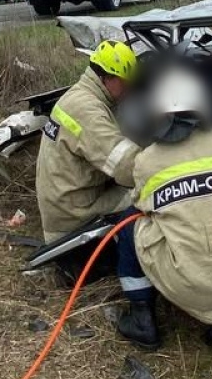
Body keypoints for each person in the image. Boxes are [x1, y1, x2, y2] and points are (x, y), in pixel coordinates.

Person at [114, 65, 212, 350]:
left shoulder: (148, 161)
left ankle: (141, 318)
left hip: (196, 287)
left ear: (159, 114)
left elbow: (144, 208)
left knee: (130, 221)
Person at [36, 39, 142, 242]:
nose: (129, 88)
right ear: (107, 77)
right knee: (149, 192)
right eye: (125, 81)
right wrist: (163, 166)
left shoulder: (80, 95)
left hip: (65, 206)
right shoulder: (87, 110)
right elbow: (127, 167)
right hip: (73, 220)